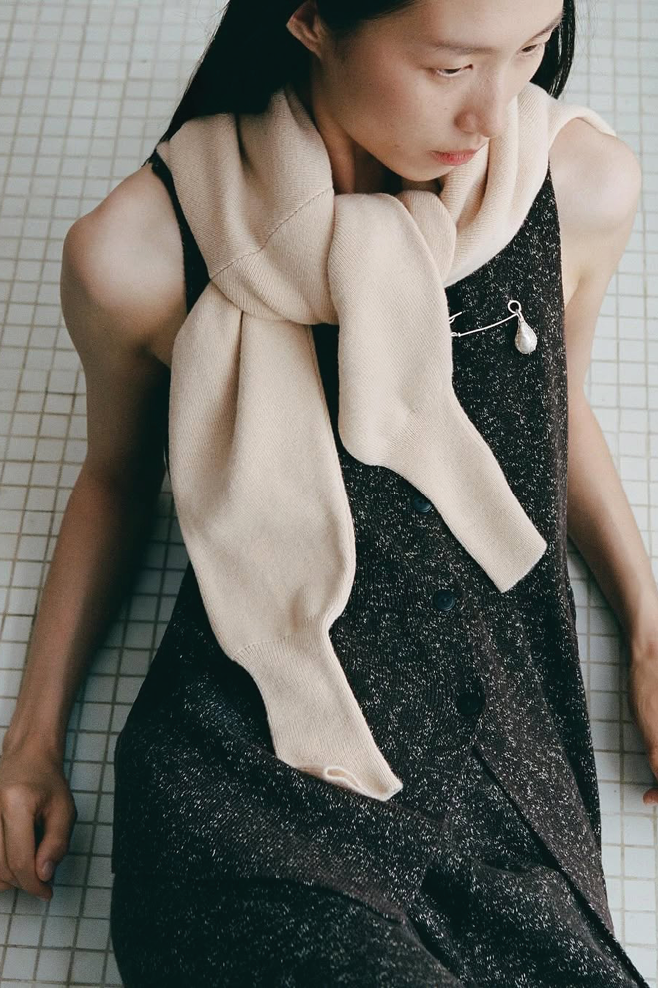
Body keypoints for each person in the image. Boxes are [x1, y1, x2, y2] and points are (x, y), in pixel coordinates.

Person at [0, 0, 655, 984]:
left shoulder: (575, 187)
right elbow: (115, 480)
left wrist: (649, 629)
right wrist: (31, 741)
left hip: (506, 789)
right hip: (252, 784)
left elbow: (551, 417)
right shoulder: (141, 253)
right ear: (309, 17)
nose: (496, 111)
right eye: (451, 67)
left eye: (528, 49)